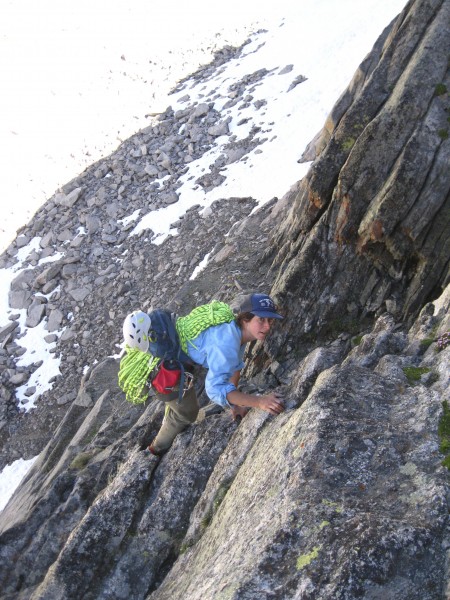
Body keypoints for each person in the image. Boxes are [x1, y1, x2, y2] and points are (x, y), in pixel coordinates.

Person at [140, 293, 285, 457]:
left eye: (270, 320)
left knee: (180, 404)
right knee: (186, 414)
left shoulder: (234, 329)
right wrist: (260, 402)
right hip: (160, 368)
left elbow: (235, 366)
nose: (267, 326)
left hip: (171, 355)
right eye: (261, 320)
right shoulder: (227, 344)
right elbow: (215, 390)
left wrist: (235, 405)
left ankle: (170, 412)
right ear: (246, 319)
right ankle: (153, 452)